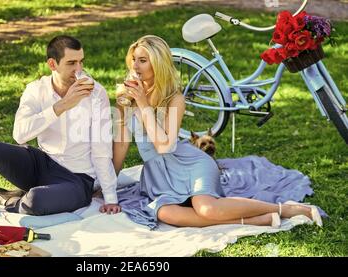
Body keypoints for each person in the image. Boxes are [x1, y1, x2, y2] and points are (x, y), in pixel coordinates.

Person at [112, 35, 321, 228]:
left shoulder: (174, 99)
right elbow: (121, 143)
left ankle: (285, 209)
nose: (135, 67)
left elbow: (164, 145)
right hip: (158, 175)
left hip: (189, 164)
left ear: (158, 64)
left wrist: (143, 104)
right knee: (166, 214)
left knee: (206, 208)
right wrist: (108, 185)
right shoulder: (125, 97)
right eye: (134, 60)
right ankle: (259, 220)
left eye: (143, 61)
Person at [0, 35, 121, 215]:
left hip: (77, 179)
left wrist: (110, 198)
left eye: (81, 62)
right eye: (71, 63)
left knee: (36, 200)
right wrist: (61, 106)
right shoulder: (36, 89)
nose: (79, 69)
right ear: (52, 64)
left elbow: (101, 149)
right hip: (42, 163)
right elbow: (20, 135)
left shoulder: (95, 93)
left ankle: (8, 199)